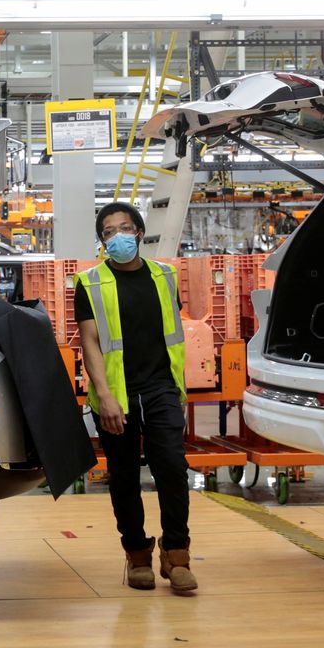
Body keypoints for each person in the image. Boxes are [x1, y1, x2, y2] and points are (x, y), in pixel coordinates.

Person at [74, 201, 197, 594]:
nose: (117, 237)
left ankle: (176, 554)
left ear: (139, 233)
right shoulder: (89, 283)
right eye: (108, 232)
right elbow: (91, 343)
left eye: (124, 228)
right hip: (116, 396)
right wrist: (105, 397)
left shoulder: (165, 275)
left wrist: (180, 389)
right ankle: (137, 555)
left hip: (161, 387)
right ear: (102, 241)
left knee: (173, 470)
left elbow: (172, 335)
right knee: (124, 477)